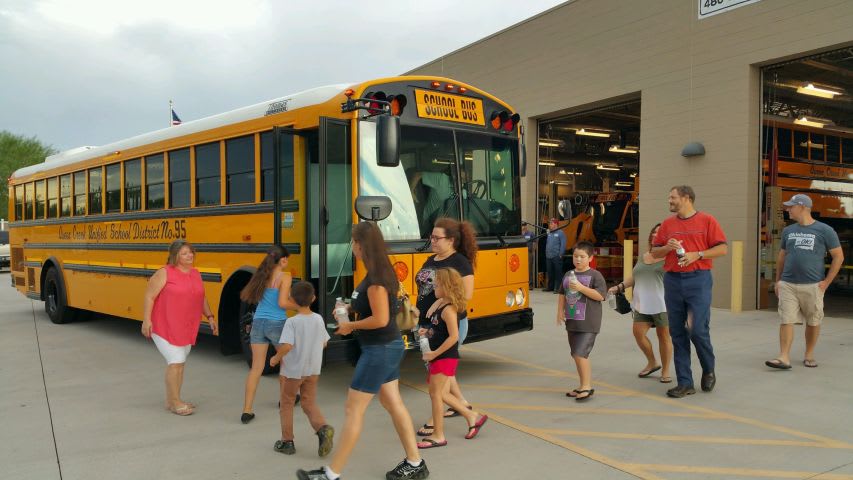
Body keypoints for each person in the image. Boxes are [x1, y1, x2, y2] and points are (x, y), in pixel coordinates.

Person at [297, 222, 428, 480]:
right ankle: (415, 463)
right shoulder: (379, 272)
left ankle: (331, 474)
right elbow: (377, 311)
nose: (352, 246)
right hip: (387, 346)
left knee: (353, 409)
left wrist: (349, 325)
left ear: (360, 245)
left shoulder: (376, 280)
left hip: (379, 349)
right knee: (393, 402)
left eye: (353, 242)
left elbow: (380, 319)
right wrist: (350, 307)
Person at [652, 185, 728, 398]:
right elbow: (654, 253)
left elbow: (722, 248)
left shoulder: (707, 221)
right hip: (673, 281)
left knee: (697, 330)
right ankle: (685, 382)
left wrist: (698, 254)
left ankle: (708, 368)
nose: (669, 201)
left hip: (698, 280)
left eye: (673, 197)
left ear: (686, 198)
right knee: (677, 332)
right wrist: (667, 247)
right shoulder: (667, 224)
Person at [414, 217, 477, 437]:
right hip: (426, 325)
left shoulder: (459, 262)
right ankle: (463, 405)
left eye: (437, 238)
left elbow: (465, 296)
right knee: (444, 374)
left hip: (448, 325)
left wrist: (440, 302)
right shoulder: (431, 259)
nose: (432, 241)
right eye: (431, 236)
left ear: (451, 240)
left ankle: (437, 419)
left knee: (438, 376)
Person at [765, 194, 843, 370]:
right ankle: (784, 357)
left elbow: (838, 256)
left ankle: (809, 354)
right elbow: (782, 256)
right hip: (788, 284)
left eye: (791, 206)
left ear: (802, 207)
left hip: (813, 285)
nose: (788, 209)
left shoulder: (825, 230)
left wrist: (827, 282)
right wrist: (778, 281)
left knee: (813, 321)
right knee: (786, 319)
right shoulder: (788, 231)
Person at [142, 240, 217, 416]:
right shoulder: (165, 273)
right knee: (176, 361)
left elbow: (201, 297)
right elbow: (149, 296)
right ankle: (176, 402)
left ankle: (172, 400)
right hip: (164, 325)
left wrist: (210, 316)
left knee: (180, 363)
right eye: (184, 253)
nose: (189, 255)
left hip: (186, 326)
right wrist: (146, 320)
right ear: (175, 256)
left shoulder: (195, 273)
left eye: (190, 252)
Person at [417, 268, 488, 449]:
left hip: (444, 357)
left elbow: (453, 337)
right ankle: (471, 417)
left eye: (438, 284)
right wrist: (429, 332)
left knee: (437, 394)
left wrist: (434, 353)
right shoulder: (441, 305)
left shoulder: (449, 310)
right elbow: (440, 330)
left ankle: (439, 435)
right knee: (438, 394)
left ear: (447, 287)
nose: (434, 287)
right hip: (440, 357)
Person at [269, 281, 334, 456]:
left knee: (287, 403)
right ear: (313, 298)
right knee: (308, 402)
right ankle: (322, 428)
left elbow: (287, 346)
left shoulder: (292, 322)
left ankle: (287, 441)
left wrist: (275, 358)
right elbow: (324, 342)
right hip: (313, 370)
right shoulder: (318, 319)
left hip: (293, 371)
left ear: (291, 300)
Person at [239, 245, 298, 424]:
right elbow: (282, 303)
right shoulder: (285, 277)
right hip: (276, 324)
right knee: (286, 364)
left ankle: (247, 410)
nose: (288, 262)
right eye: (287, 259)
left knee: (256, 368)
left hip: (258, 323)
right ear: (282, 260)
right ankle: (284, 401)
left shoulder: (261, 275)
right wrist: (298, 305)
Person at [609, 224, 673, 383]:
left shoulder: (670, 258)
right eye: (653, 232)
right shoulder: (643, 256)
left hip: (662, 304)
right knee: (638, 333)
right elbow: (636, 276)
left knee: (663, 337)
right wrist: (620, 286)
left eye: (659, 233)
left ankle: (665, 371)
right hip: (642, 304)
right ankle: (652, 362)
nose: (655, 235)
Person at [557, 241, 607, 401]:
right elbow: (562, 293)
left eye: (582, 256)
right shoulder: (568, 274)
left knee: (581, 353)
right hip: (572, 320)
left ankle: (587, 386)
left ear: (590, 258)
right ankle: (581, 385)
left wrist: (581, 288)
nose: (578, 259)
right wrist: (559, 311)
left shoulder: (595, 275)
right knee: (575, 354)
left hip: (589, 322)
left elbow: (601, 296)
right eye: (575, 256)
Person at [544, 218, 566, 292]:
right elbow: (548, 243)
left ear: (556, 224)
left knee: (558, 272)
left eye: (551, 223)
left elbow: (563, 244)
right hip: (549, 256)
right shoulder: (549, 233)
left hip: (556, 255)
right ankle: (550, 287)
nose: (550, 225)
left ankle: (558, 288)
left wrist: (561, 254)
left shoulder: (560, 233)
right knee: (550, 272)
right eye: (550, 223)